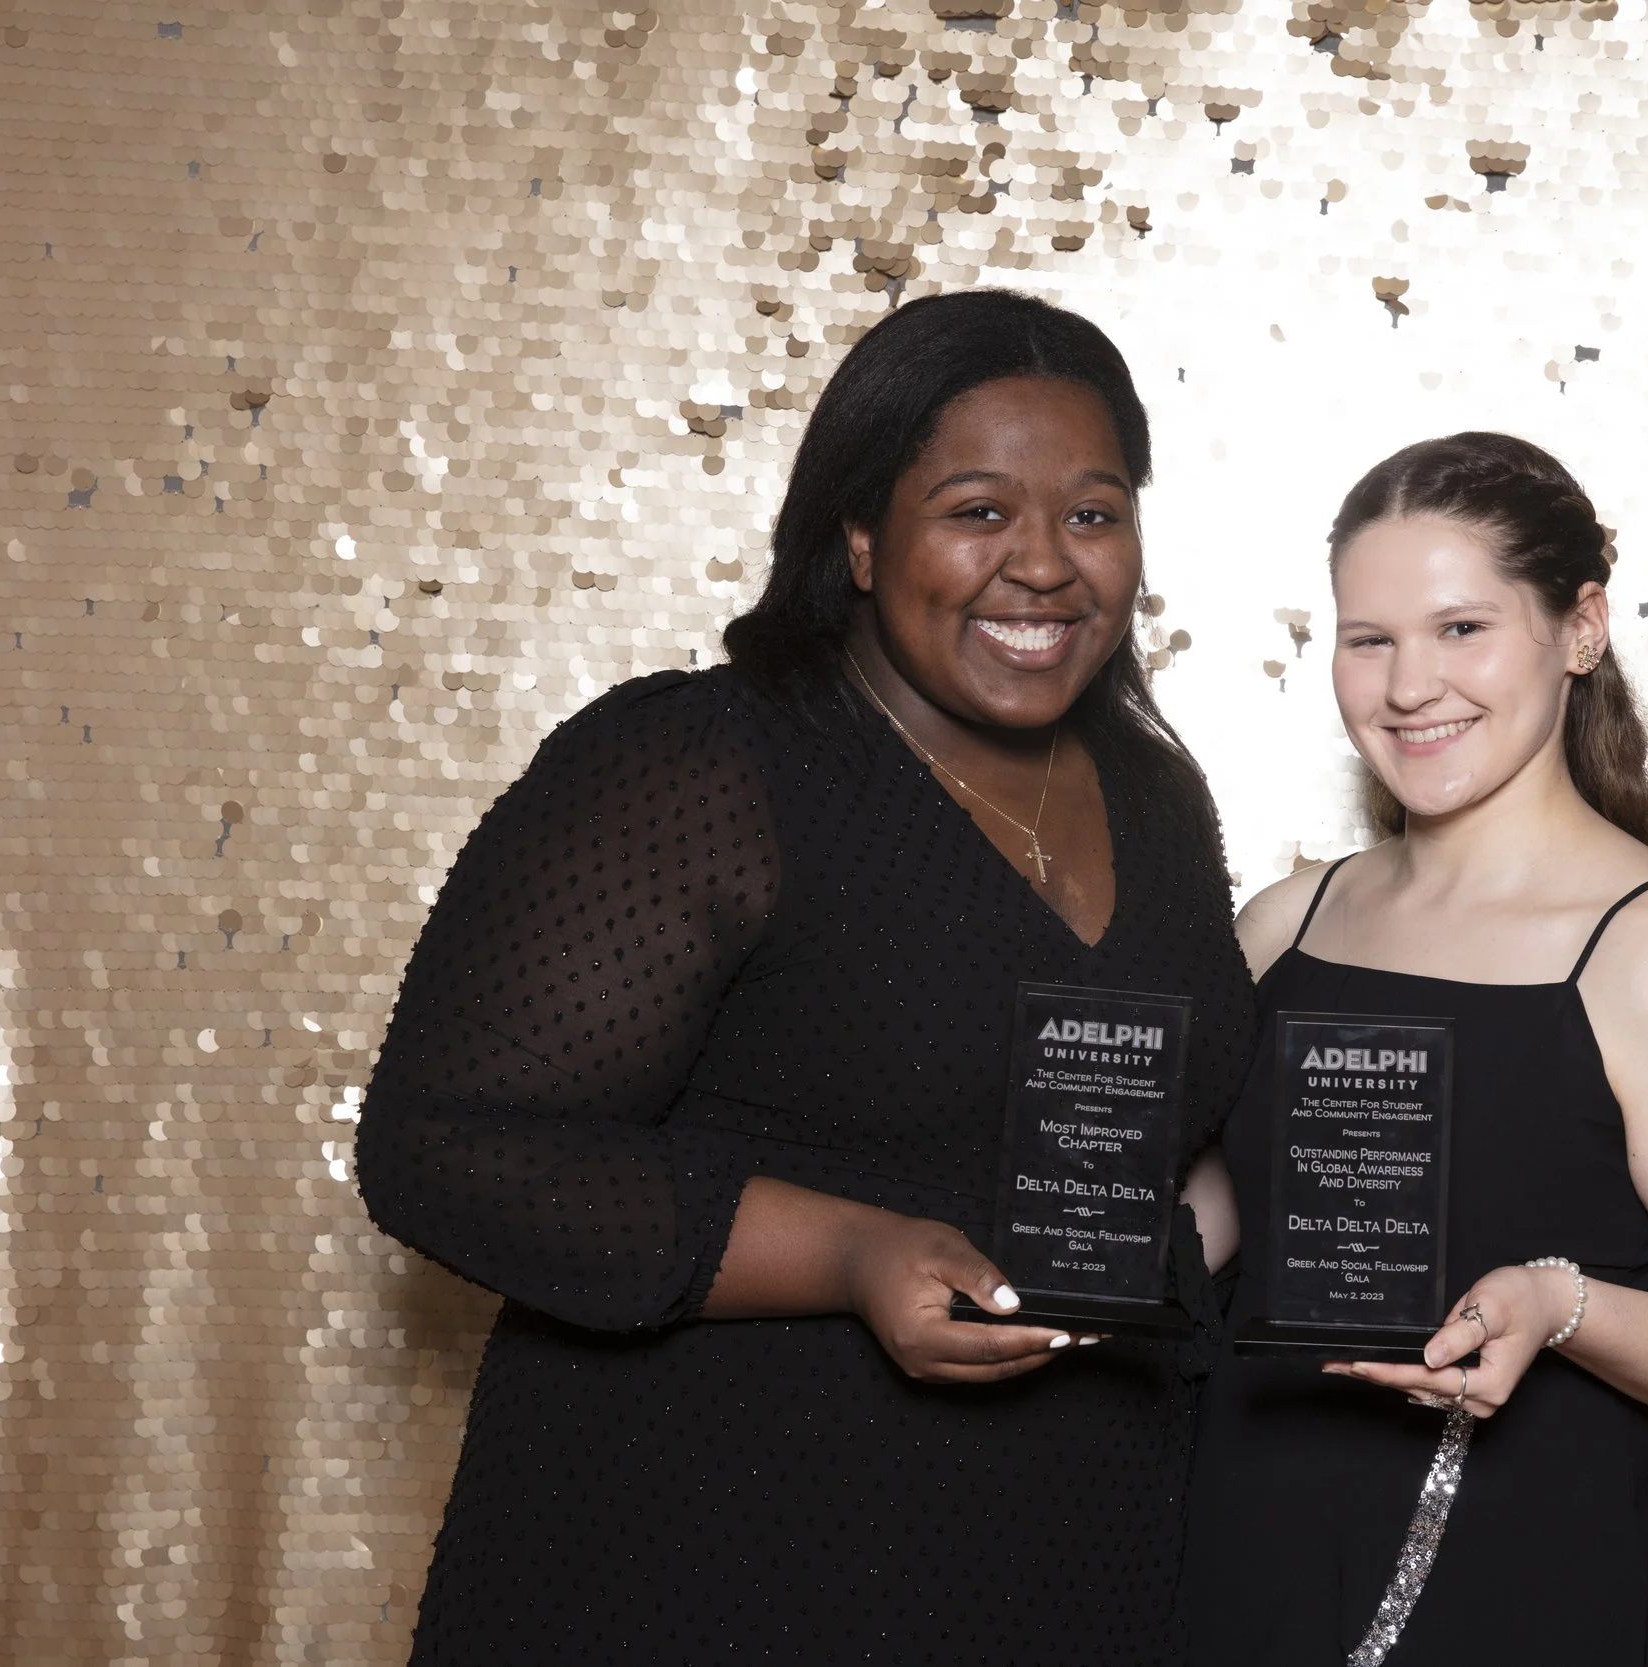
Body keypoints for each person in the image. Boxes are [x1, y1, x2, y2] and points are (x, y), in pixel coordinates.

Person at [358, 290, 1255, 1664]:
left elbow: (1153, 1144)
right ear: (856, 536)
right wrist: (850, 1251)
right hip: (708, 1550)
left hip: (1059, 1550)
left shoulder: (1154, 794)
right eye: (975, 511)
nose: (1043, 565)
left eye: (1092, 512)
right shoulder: (704, 765)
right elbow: (445, 1149)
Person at [1181, 433, 1648, 1665]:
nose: (1406, 685)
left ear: (1580, 628)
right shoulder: (1288, 921)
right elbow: (1214, 1226)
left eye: (1460, 630)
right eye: (1367, 639)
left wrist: (1562, 1303)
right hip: (1240, 1556)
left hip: (1519, 1588)